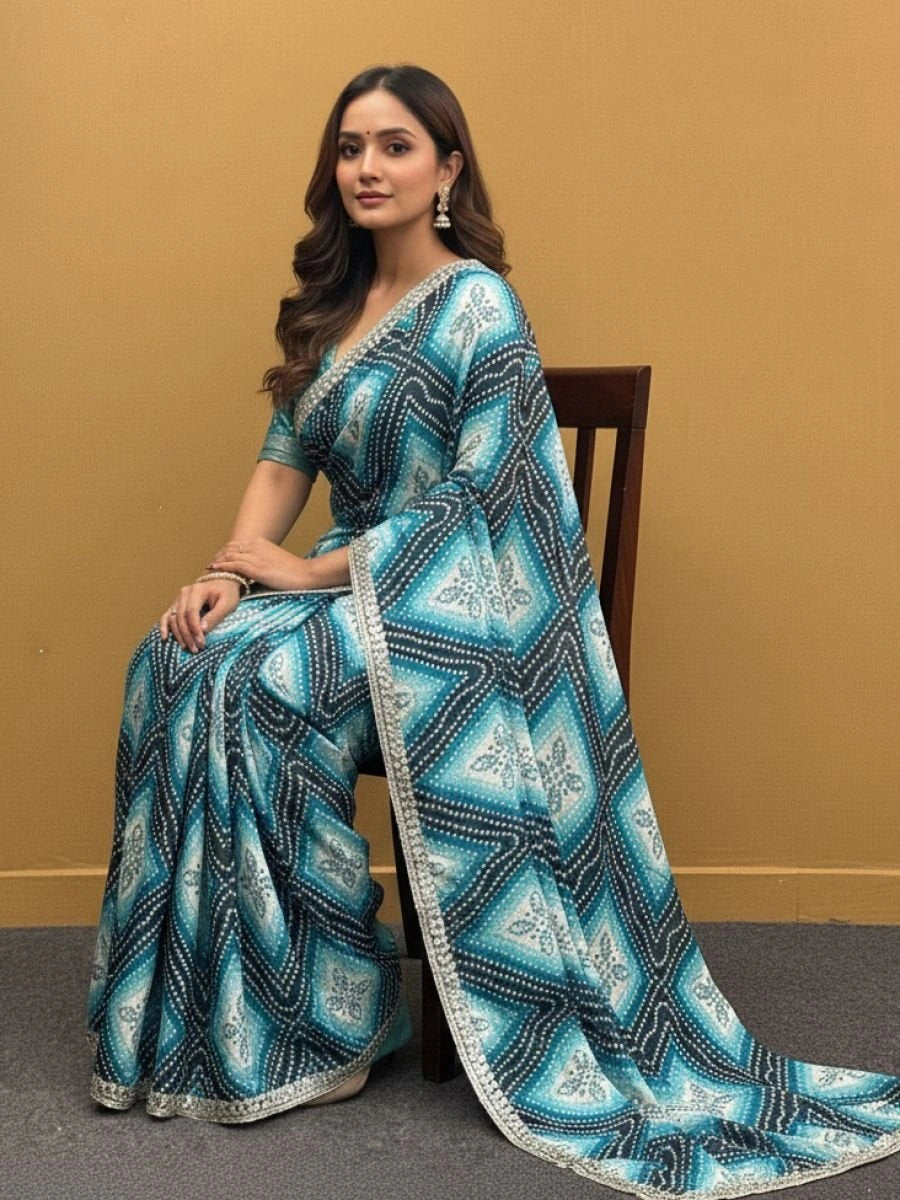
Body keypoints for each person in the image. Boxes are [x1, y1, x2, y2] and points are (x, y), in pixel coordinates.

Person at [86, 63, 900, 1194]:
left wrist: (315, 570)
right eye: (351, 146)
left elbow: (485, 504)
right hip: (352, 592)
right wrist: (232, 570)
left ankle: (333, 1019)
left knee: (261, 686)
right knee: (178, 659)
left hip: (456, 620)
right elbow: (286, 461)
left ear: (448, 169)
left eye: (396, 146)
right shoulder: (329, 310)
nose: (367, 166)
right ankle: (242, 1009)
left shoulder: (480, 306)